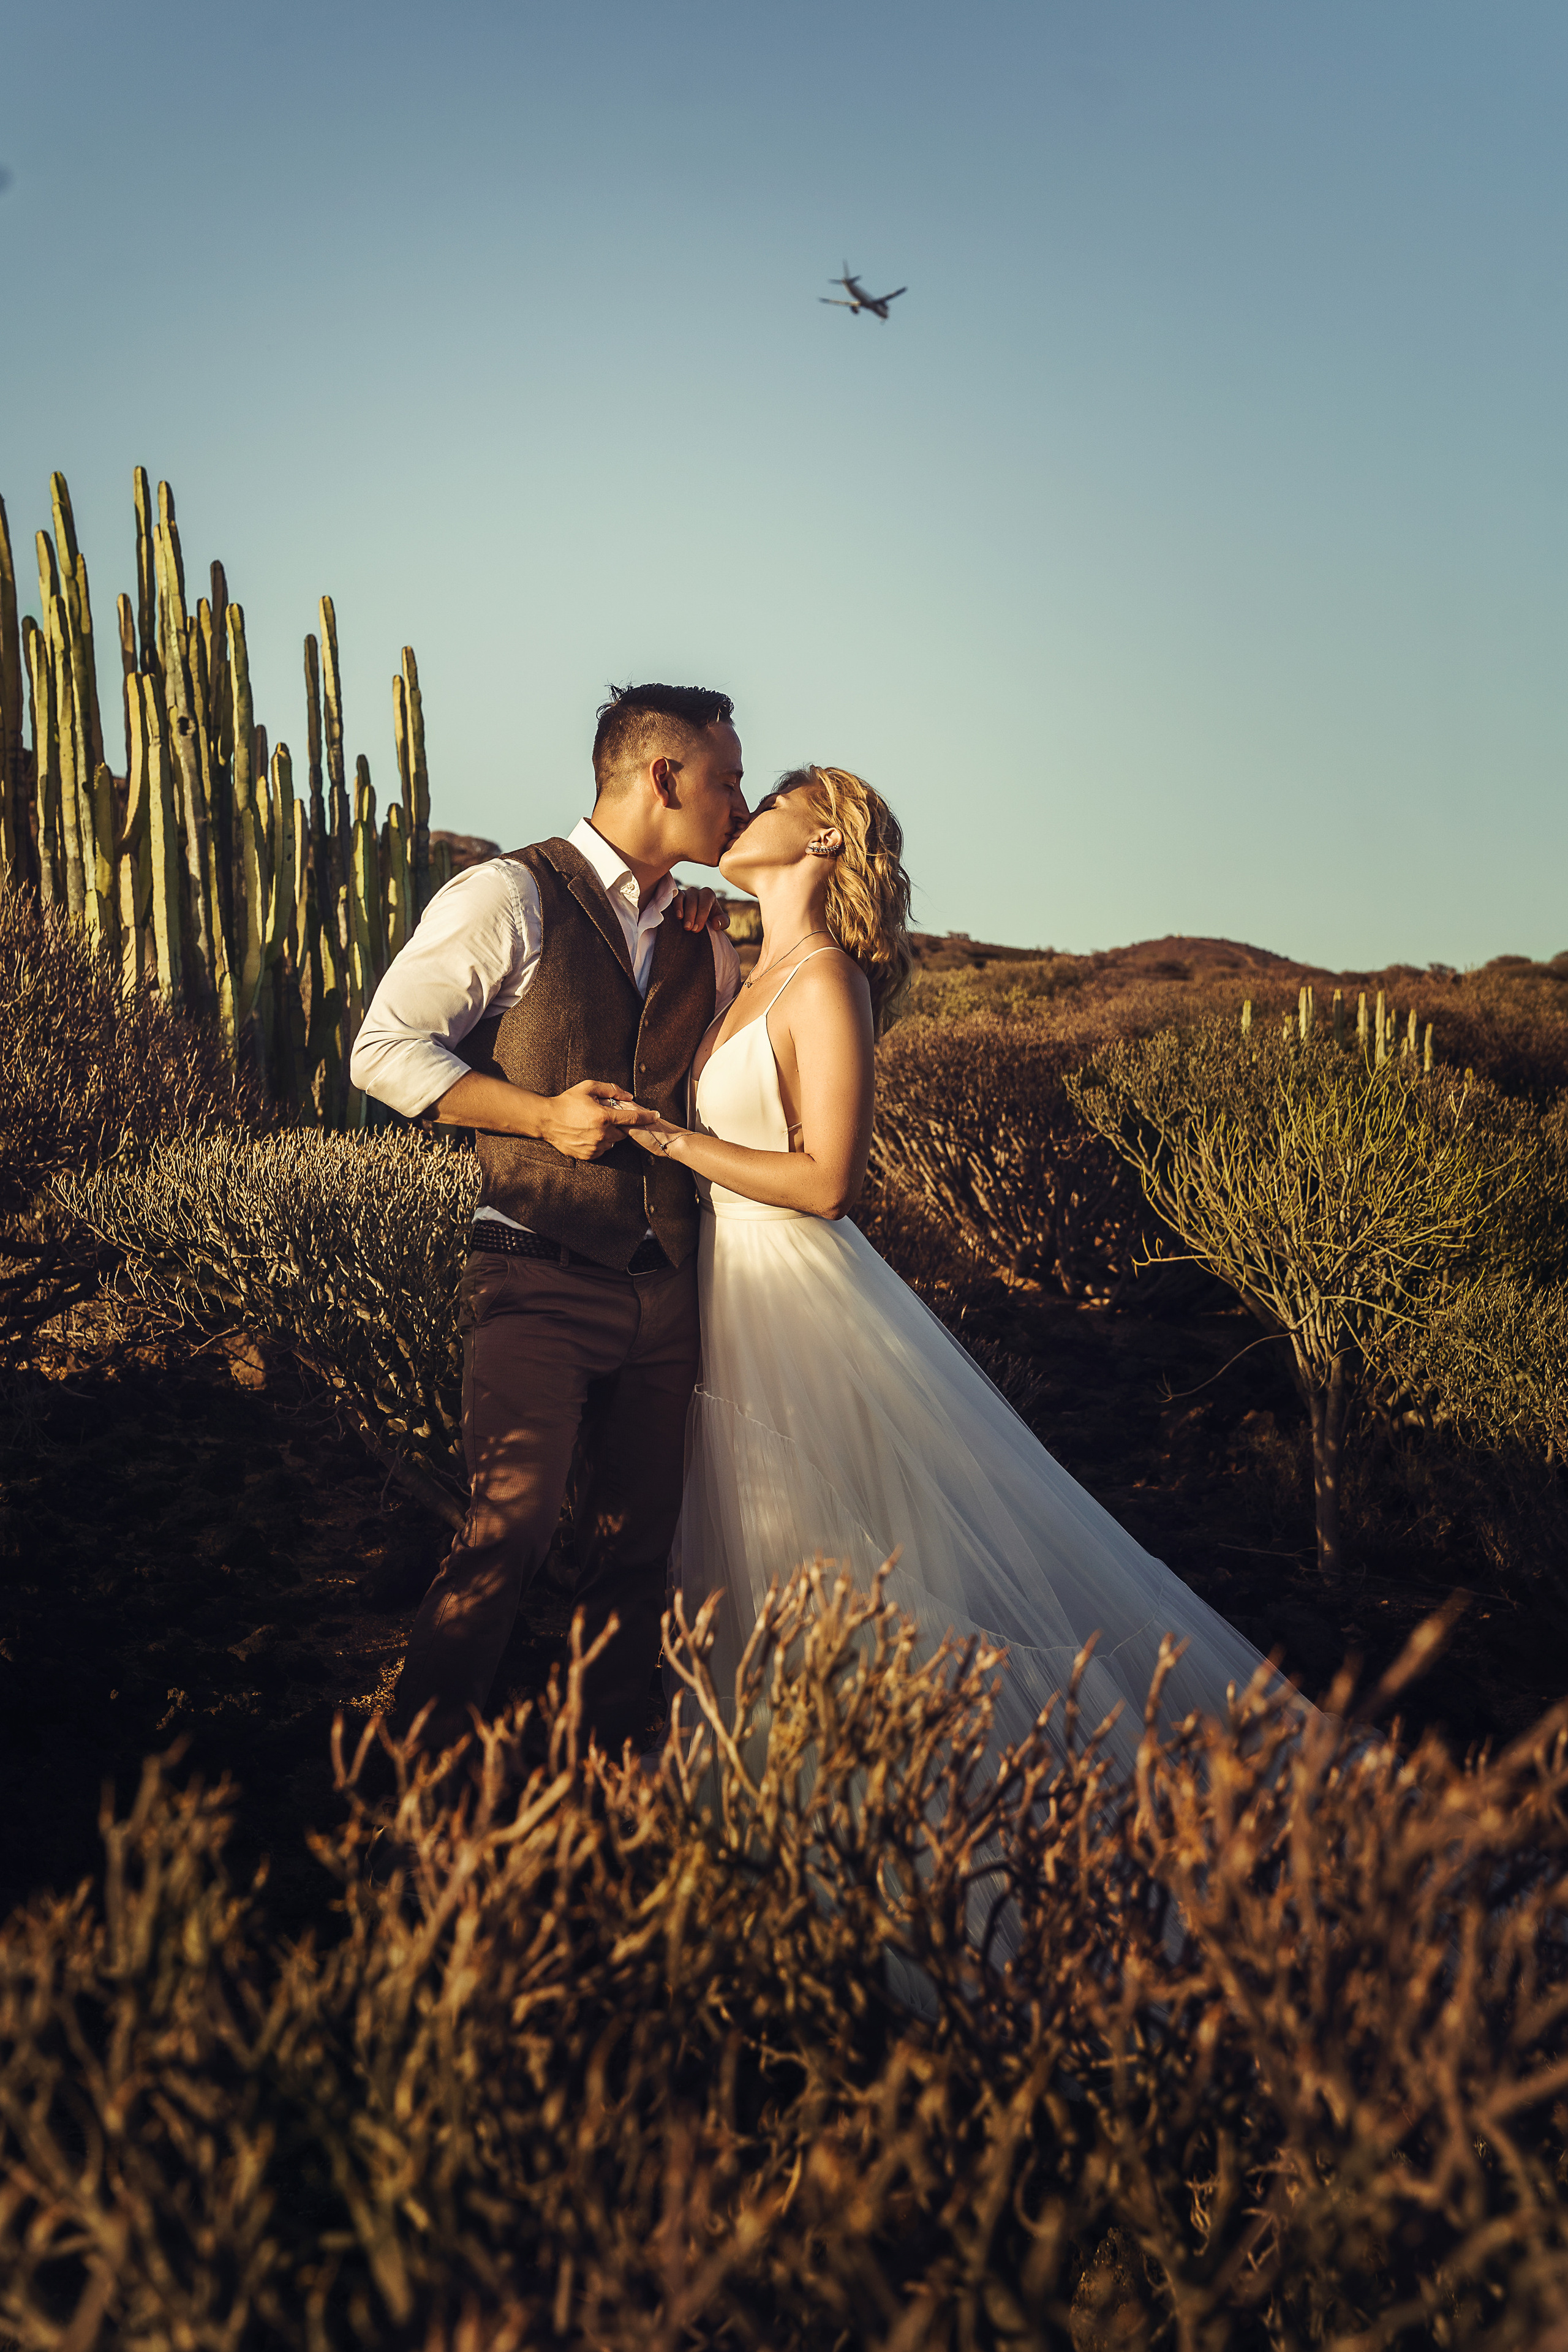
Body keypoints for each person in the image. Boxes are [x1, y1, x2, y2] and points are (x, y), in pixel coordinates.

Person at [625, 765, 1289, 1778]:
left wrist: (672, 1143)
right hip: (731, 1286)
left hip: (797, 1291)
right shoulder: (744, 968)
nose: (745, 811)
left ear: (825, 839)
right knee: (767, 1546)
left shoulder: (826, 979)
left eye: (774, 802)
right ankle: (787, 1786)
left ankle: (915, 1786)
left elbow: (828, 1182)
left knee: (853, 1546)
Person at [350, 683, 747, 1763]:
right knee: (508, 1534)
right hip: (537, 1272)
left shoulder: (703, 935)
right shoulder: (510, 893)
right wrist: (539, 1117)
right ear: (664, 777)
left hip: (667, 1293)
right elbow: (383, 1050)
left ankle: (600, 1794)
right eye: (726, 779)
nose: (740, 802)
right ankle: (414, 1786)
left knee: (636, 1557)